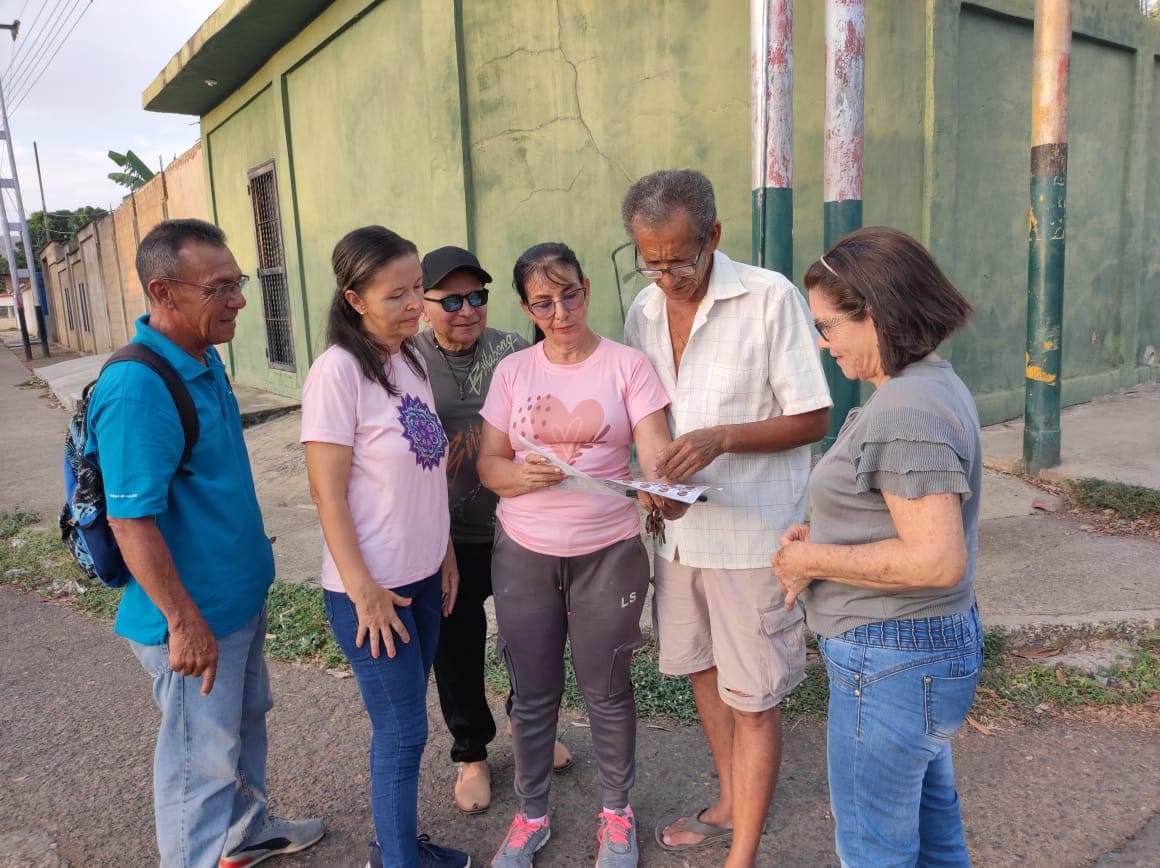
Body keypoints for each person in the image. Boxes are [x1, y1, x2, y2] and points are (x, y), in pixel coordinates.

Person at [85, 218, 324, 867]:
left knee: (243, 730)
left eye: (238, 282)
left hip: (234, 603)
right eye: (220, 287)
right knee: (199, 764)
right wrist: (184, 622)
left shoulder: (201, 357)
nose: (240, 299)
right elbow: (131, 521)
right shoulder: (138, 389)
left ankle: (244, 835)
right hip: (193, 624)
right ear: (164, 293)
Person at [621, 169, 831, 867]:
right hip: (680, 540)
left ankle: (740, 854)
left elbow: (813, 416)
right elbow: (647, 419)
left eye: (681, 258)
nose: (667, 277)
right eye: (651, 262)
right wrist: (652, 481)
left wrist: (723, 437)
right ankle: (734, 801)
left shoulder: (770, 299)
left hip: (751, 537)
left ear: (714, 236)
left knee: (754, 693)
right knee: (703, 672)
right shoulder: (642, 312)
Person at [772, 226, 983, 867]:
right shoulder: (926, 385)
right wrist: (831, 532)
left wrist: (811, 559)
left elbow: (936, 558)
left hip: (891, 657)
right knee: (931, 826)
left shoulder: (905, 410)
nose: (821, 341)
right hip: (916, 651)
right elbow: (900, 512)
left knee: (872, 846)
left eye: (830, 325)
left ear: (880, 314)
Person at [477, 242, 674, 867]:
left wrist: (660, 484)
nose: (561, 312)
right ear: (525, 307)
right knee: (532, 691)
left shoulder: (628, 367)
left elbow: (656, 454)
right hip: (525, 550)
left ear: (587, 288)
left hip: (608, 550)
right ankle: (530, 814)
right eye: (543, 302)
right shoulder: (513, 372)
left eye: (571, 295)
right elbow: (488, 464)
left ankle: (617, 815)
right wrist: (517, 477)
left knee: (608, 686)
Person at [301, 226, 470, 868]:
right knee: (402, 732)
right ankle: (398, 859)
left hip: (424, 575)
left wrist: (445, 549)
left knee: (406, 724)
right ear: (354, 299)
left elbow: (427, 469)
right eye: (395, 294)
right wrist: (364, 589)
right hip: (373, 590)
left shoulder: (410, 359)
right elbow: (327, 494)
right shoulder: (337, 373)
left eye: (416, 289)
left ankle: (398, 844)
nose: (414, 304)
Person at [414, 246, 573, 816]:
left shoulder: (513, 348)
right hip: (444, 534)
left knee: (527, 638)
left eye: (477, 297)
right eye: (451, 300)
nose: (467, 310)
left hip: (512, 524)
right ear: (422, 303)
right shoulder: (405, 360)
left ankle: (526, 728)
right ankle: (471, 754)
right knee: (455, 646)